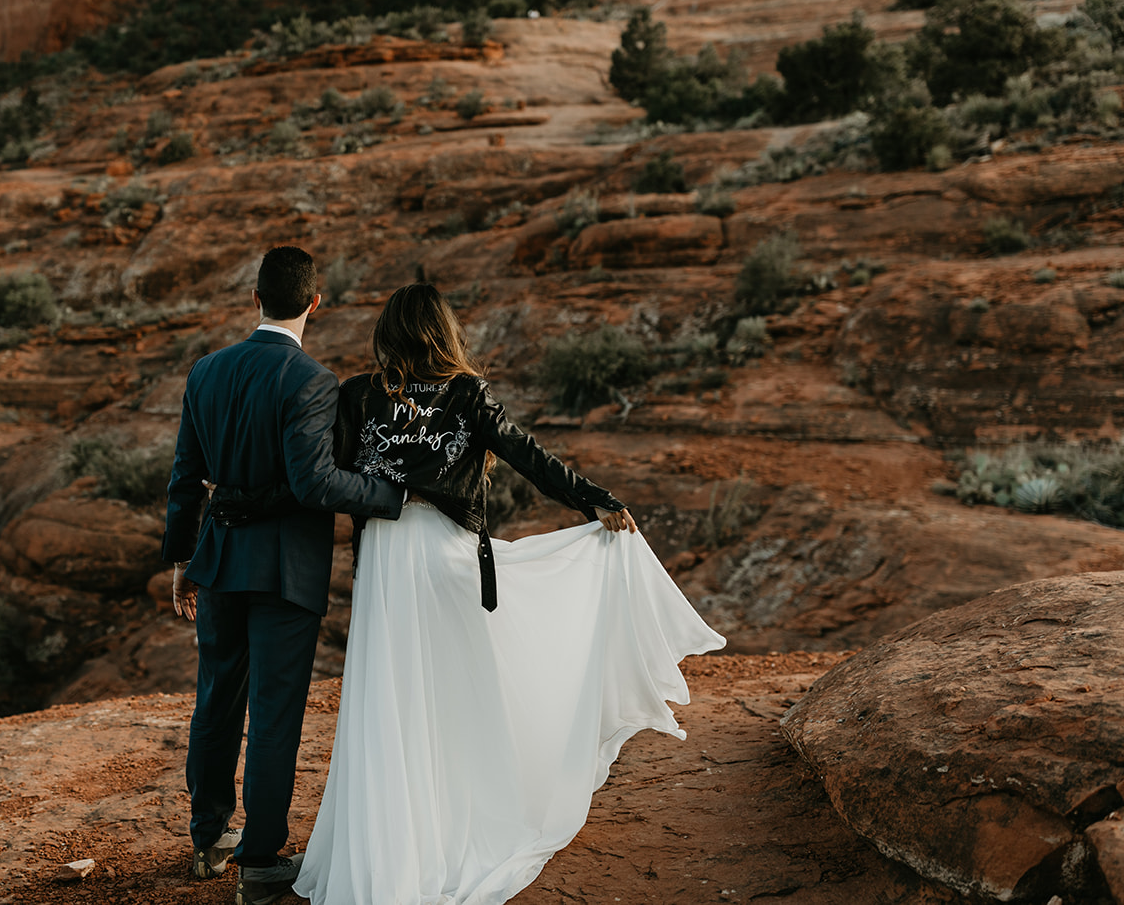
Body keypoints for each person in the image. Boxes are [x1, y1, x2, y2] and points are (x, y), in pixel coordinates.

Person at [215, 282, 726, 905]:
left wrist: (235, 501)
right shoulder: (465, 393)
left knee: (392, 696)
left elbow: (314, 480)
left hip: (384, 561)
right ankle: (459, 825)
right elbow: (525, 454)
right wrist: (595, 499)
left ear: (389, 334)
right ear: (444, 331)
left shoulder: (358, 394)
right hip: (446, 557)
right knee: (455, 693)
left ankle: (390, 848)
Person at [161, 246, 405, 905]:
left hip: (219, 558)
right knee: (273, 712)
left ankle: (207, 835)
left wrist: (182, 559)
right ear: (314, 303)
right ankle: (261, 859)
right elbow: (314, 481)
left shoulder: (206, 371)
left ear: (255, 298)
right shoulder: (311, 379)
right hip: (286, 573)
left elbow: (185, 477)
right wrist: (391, 496)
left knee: (216, 697)